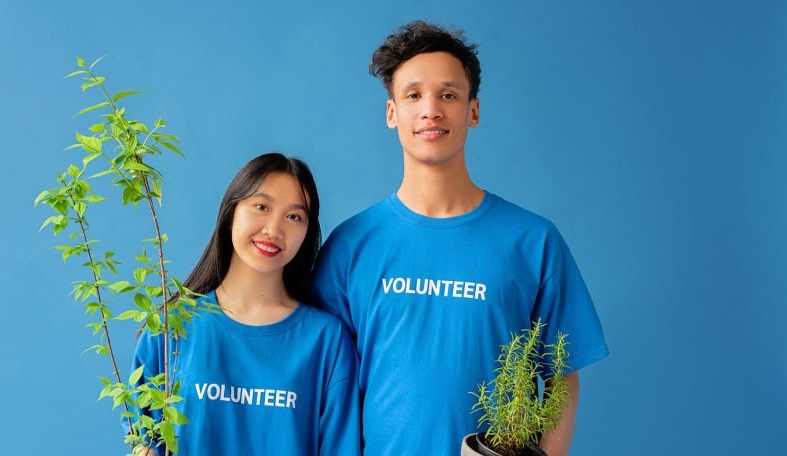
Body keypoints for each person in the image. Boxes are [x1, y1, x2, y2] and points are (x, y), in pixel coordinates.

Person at [308, 21, 609, 455]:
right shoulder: (351, 246)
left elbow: (562, 376)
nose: (431, 110)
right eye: (413, 95)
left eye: (448, 94)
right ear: (392, 113)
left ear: (473, 110)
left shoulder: (532, 241)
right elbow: (325, 383)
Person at [131, 153, 360, 455]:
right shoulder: (171, 327)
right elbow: (145, 439)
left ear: (307, 232)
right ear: (231, 214)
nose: (274, 230)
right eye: (261, 207)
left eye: (294, 216)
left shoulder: (326, 341)